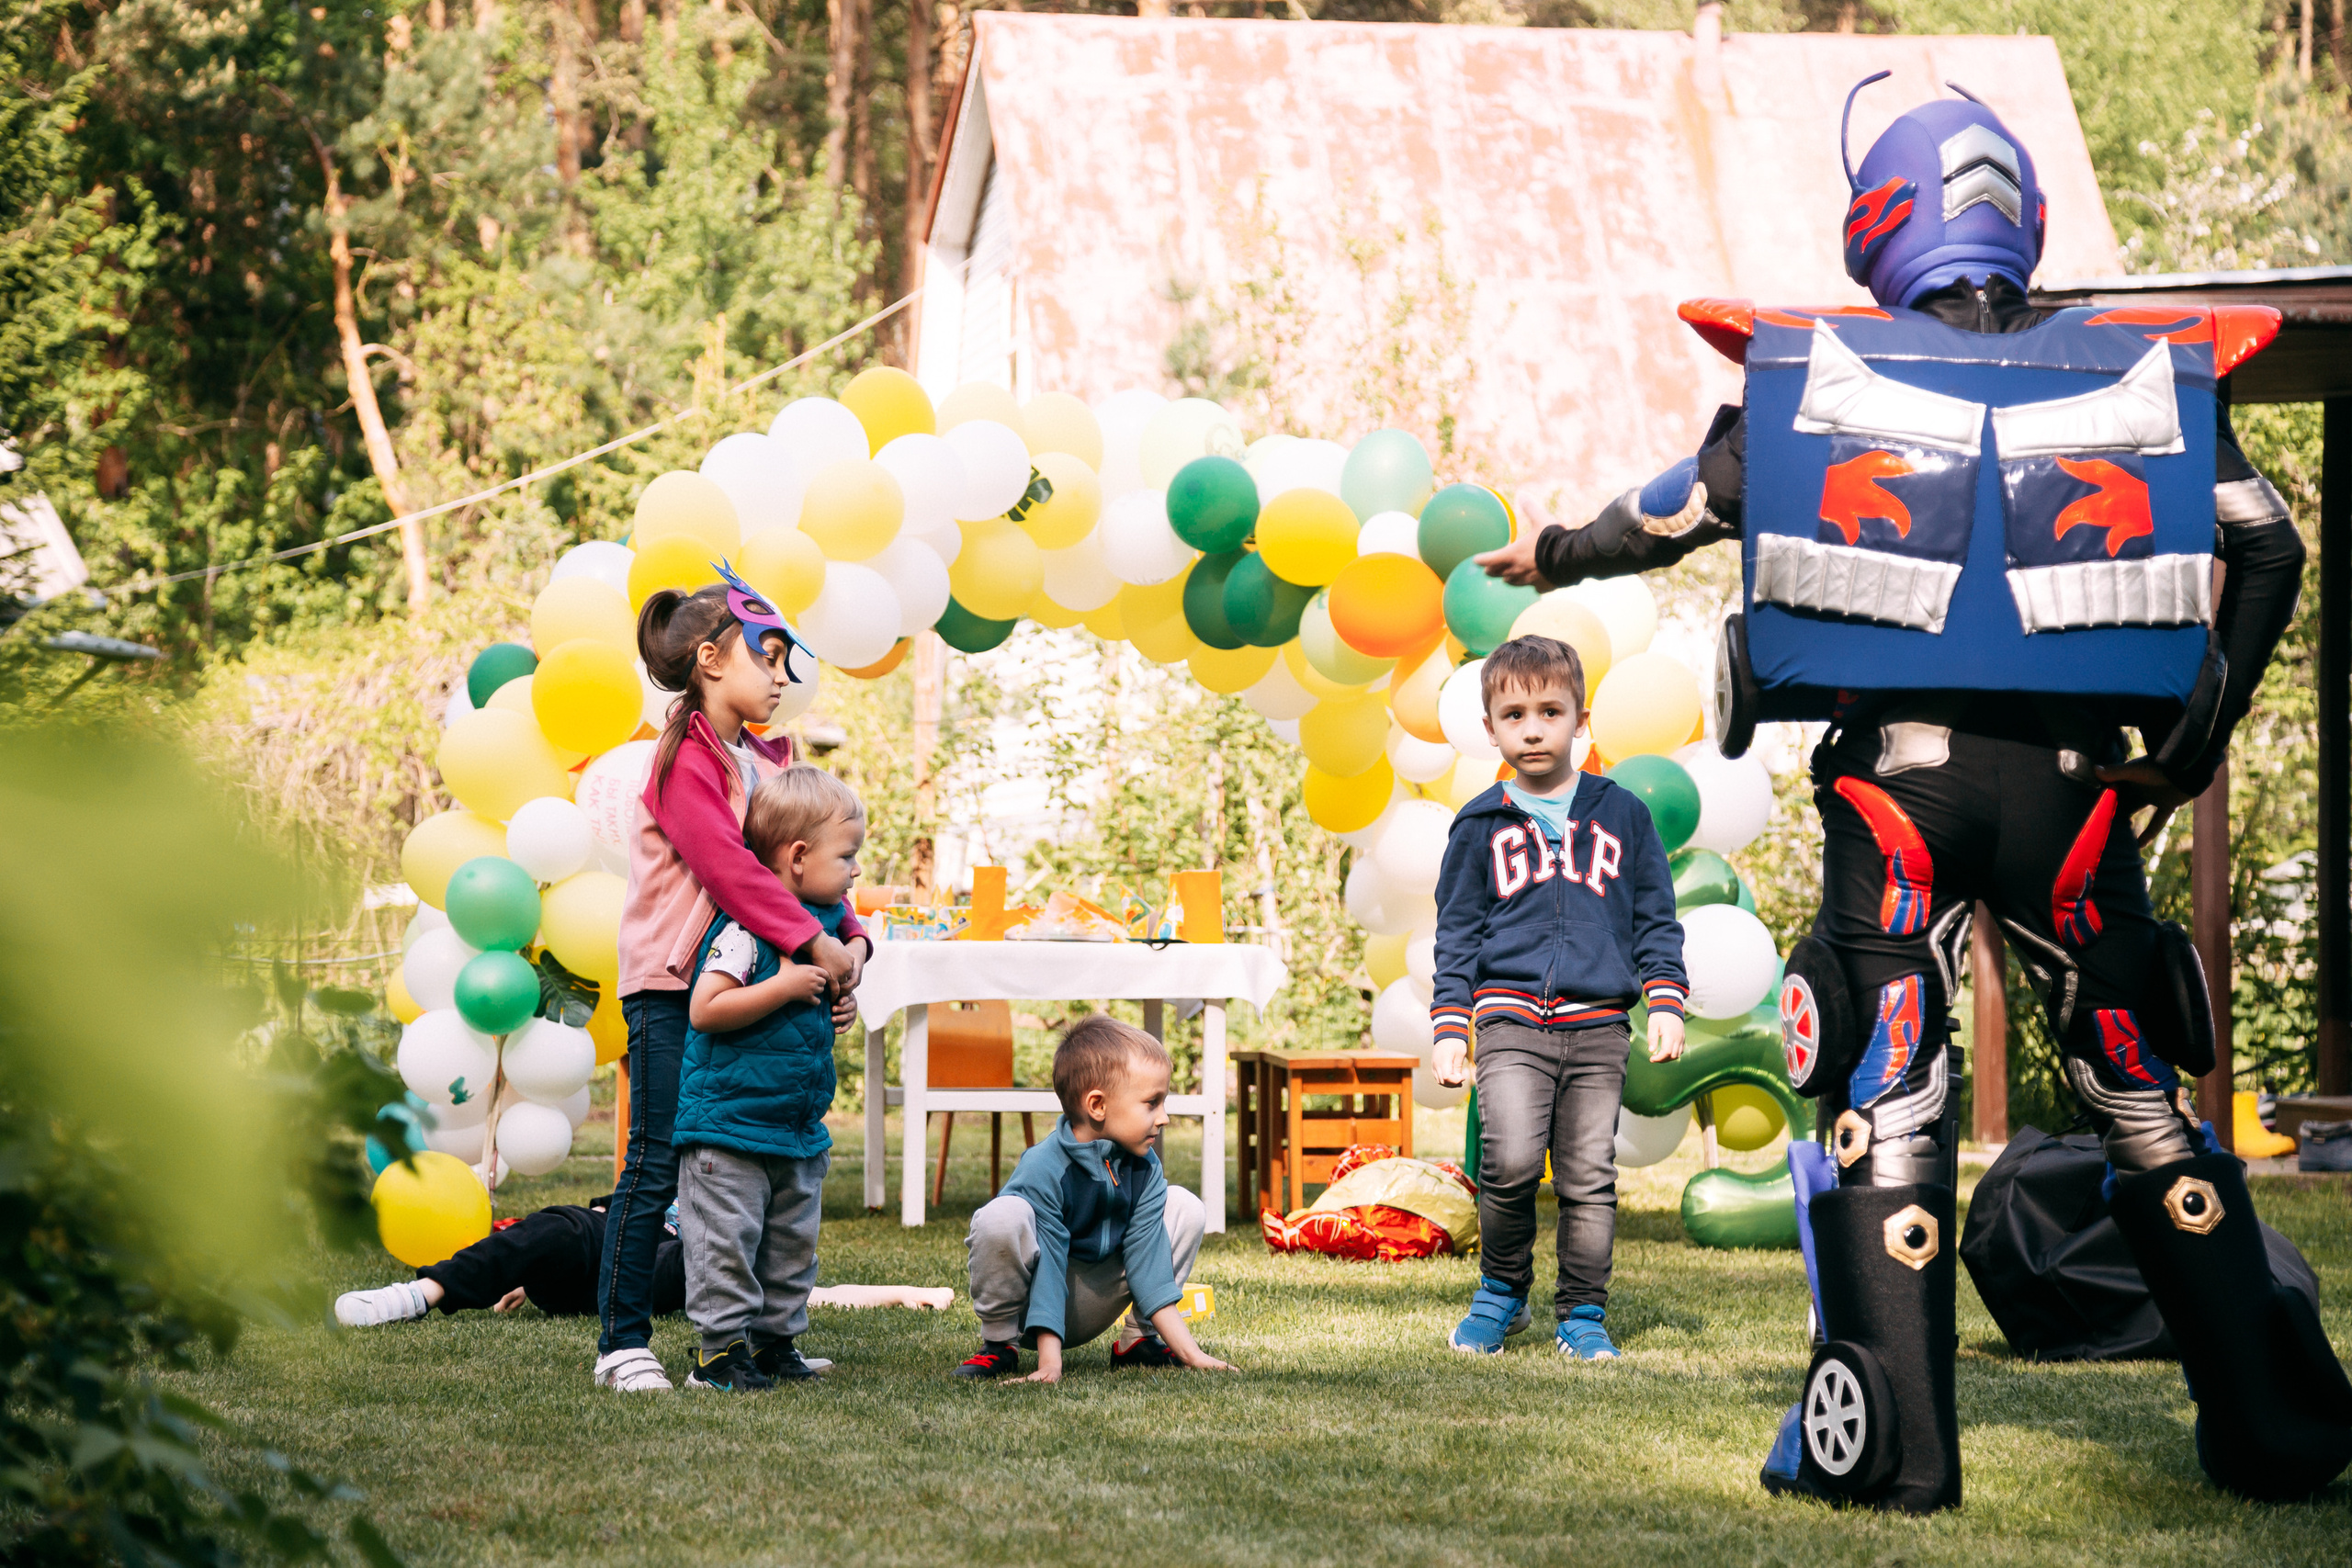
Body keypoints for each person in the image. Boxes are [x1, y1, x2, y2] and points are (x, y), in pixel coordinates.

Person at [1472, 78, 2349, 1508]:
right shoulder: (2140, 372)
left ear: (1880, 220)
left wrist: (1555, 552)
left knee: (1887, 1079)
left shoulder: (1818, 373)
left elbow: (1671, 514)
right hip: (2076, 795)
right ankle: (2279, 1426)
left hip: (1900, 793)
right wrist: (2190, 744)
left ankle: (1890, 1452)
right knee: (2137, 1082)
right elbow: (2268, 550)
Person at [595, 563, 871, 1393]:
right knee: (656, 1159)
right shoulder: (686, 761)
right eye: (771, 658)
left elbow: (799, 866)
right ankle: (621, 1341)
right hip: (672, 984)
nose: (785, 678)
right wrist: (808, 946)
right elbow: (728, 870)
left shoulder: (755, 762)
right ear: (712, 659)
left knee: (747, 1162)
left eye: (789, 663)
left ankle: (759, 1336)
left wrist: (849, 943)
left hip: (742, 974)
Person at [1427, 635, 1689, 1360]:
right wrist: (1452, 1025)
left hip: (1600, 1027)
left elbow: (1655, 919)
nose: (1533, 727)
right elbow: (1456, 933)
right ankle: (1501, 1292)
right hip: (1508, 1021)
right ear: (1491, 730)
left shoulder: (1625, 815)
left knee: (1587, 1177)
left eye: (1550, 710)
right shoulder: (1478, 824)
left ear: (1582, 720)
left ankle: (1582, 1312)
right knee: (1507, 1160)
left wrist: (1664, 999)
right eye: (1514, 714)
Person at [672, 765, 865, 1393]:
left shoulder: (828, 928)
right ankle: (718, 1353)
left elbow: (844, 964)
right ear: (799, 857)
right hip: (727, 1126)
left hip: (793, 1126)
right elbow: (705, 1008)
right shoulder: (745, 931)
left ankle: (775, 1342)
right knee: (726, 1244)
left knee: (790, 1246)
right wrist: (781, 986)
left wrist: (843, 1002)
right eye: (849, 855)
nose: (857, 869)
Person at [953, 1016, 1236, 1383]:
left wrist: (1193, 1355)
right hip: (1034, 1307)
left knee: (1186, 1206)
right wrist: (1050, 1365)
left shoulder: (1145, 1167)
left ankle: (1139, 1340)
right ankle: (998, 1345)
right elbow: (1051, 1266)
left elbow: (1149, 1261)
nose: (1164, 1117)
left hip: (1096, 1299)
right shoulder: (1043, 1166)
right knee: (1002, 1216)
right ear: (1097, 1105)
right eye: (1152, 1103)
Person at [337, 1198, 682, 1325]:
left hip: (670, 1251)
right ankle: (419, 1294)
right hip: (624, 1223)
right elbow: (603, 1211)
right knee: (559, 1229)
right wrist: (528, 1267)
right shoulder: (674, 1147)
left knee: (686, 1262)